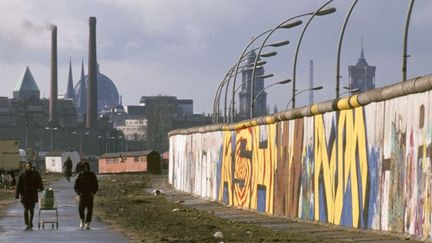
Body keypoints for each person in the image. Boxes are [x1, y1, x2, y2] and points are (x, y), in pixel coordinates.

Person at [15, 162, 44, 230]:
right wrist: (17, 194)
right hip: (24, 195)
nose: (28, 167)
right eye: (27, 166)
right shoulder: (22, 175)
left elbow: (39, 183)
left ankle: (30, 222)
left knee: (31, 209)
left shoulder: (35, 174)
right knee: (25, 209)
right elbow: (18, 185)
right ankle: (27, 223)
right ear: (25, 166)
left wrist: (43, 190)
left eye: (29, 166)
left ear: (31, 166)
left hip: (32, 194)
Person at [74, 161, 98, 229]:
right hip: (82, 195)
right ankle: (82, 221)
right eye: (84, 167)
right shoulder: (79, 175)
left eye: (87, 167)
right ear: (82, 168)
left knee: (90, 210)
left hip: (90, 195)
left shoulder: (92, 175)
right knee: (81, 209)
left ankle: (88, 223)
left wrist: (93, 192)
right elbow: (76, 185)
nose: (85, 168)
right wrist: (79, 193)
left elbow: (96, 184)